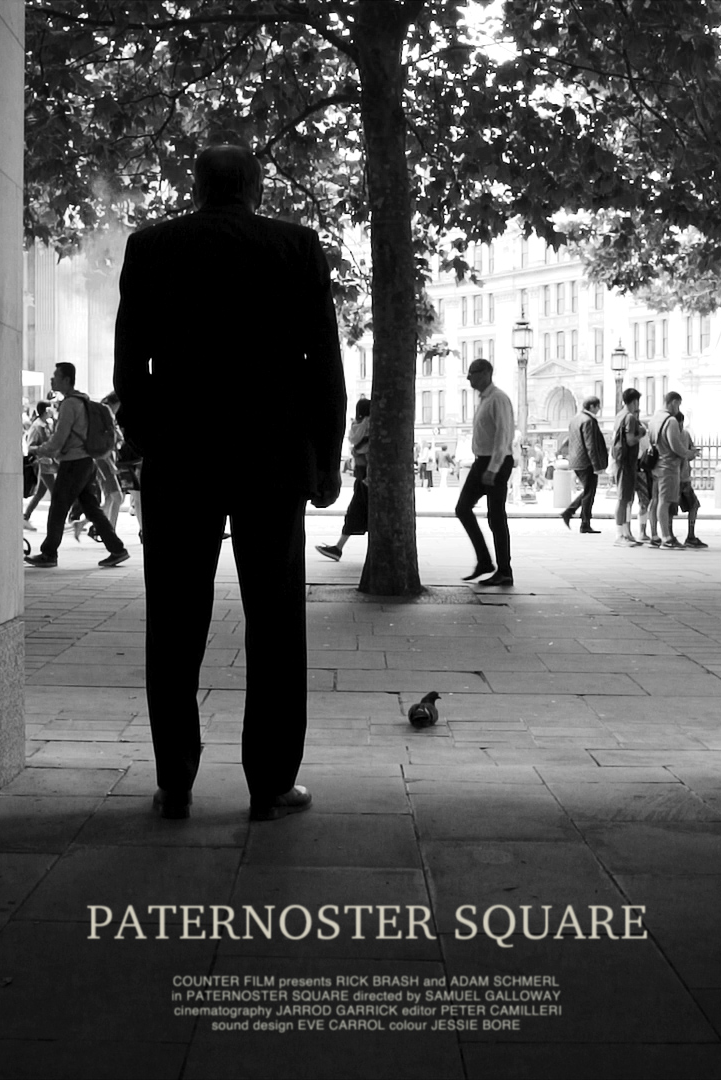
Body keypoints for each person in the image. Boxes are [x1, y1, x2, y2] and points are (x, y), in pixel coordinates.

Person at [113, 144, 346, 822]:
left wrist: (149, 441)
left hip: (182, 454)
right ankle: (270, 782)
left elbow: (132, 362)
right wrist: (326, 456)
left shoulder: (152, 246)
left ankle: (175, 781)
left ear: (196, 185)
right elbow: (321, 362)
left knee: (174, 620)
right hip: (269, 454)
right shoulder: (295, 246)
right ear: (253, 186)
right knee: (275, 622)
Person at [23, 364, 130, 569]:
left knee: (58, 507)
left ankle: (48, 553)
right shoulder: (83, 400)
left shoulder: (70, 404)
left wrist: (38, 450)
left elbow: (59, 439)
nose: (52, 380)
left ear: (66, 379)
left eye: (56, 376)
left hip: (73, 463)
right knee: (91, 507)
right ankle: (117, 549)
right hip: (86, 462)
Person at [455, 357, 515, 586]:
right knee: (465, 509)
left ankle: (503, 569)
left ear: (487, 373)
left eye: (473, 372)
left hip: (495, 462)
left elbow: (503, 435)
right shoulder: (485, 399)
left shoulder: (498, 399)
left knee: (496, 516)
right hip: (483, 460)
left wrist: (493, 468)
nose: (469, 377)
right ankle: (486, 561)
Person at [316, 397, 370, 562]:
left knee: (356, 512)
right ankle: (338, 548)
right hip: (367, 477)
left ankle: (338, 548)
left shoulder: (358, 425)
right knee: (361, 513)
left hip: (365, 478)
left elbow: (355, 442)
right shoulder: (371, 424)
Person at [647, 392, 699, 549]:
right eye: (678, 404)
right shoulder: (671, 421)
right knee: (665, 501)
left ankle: (658, 535)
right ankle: (667, 538)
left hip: (656, 465)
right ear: (673, 402)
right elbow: (675, 446)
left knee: (656, 501)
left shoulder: (654, 418)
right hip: (668, 466)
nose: (678, 408)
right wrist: (689, 453)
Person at [560, 396, 608, 533]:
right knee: (589, 492)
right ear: (592, 406)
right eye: (598, 406)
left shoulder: (575, 419)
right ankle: (582, 521)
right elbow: (591, 444)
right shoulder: (589, 421)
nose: (599, 409)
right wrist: (597, 465)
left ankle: (575, 515)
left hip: (576, 460)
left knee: (588, 491)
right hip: (586, 462)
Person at [611, 387, 646, 548]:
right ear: (635, 401)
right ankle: (620, 534)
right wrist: (642, 434)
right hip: (627, 461)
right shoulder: (630, 417)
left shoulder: (620, 415)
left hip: (620, 460)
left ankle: (626, 532)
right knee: (624, 498)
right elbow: (631, 440)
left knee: (625, 498)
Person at [673, 412, 706, 548]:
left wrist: (693, 452)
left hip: (683, 477)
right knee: (672, 507)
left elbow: (689, 452)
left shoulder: (685, 434)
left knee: (693, 505)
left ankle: (690, 535)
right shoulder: (674, 434)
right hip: (677, 477)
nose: (680, 426)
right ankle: (673, 535)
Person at [23, 401, 56, 530]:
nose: (52, 410)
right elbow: (31, 446)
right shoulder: (36, 427)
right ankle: (56, 521)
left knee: (40, 493)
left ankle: (25, 516)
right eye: (50, 408)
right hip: (43, 465)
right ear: (45, 410)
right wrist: (42, 454)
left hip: (48, 465)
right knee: (55, 493)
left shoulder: (47, 425)